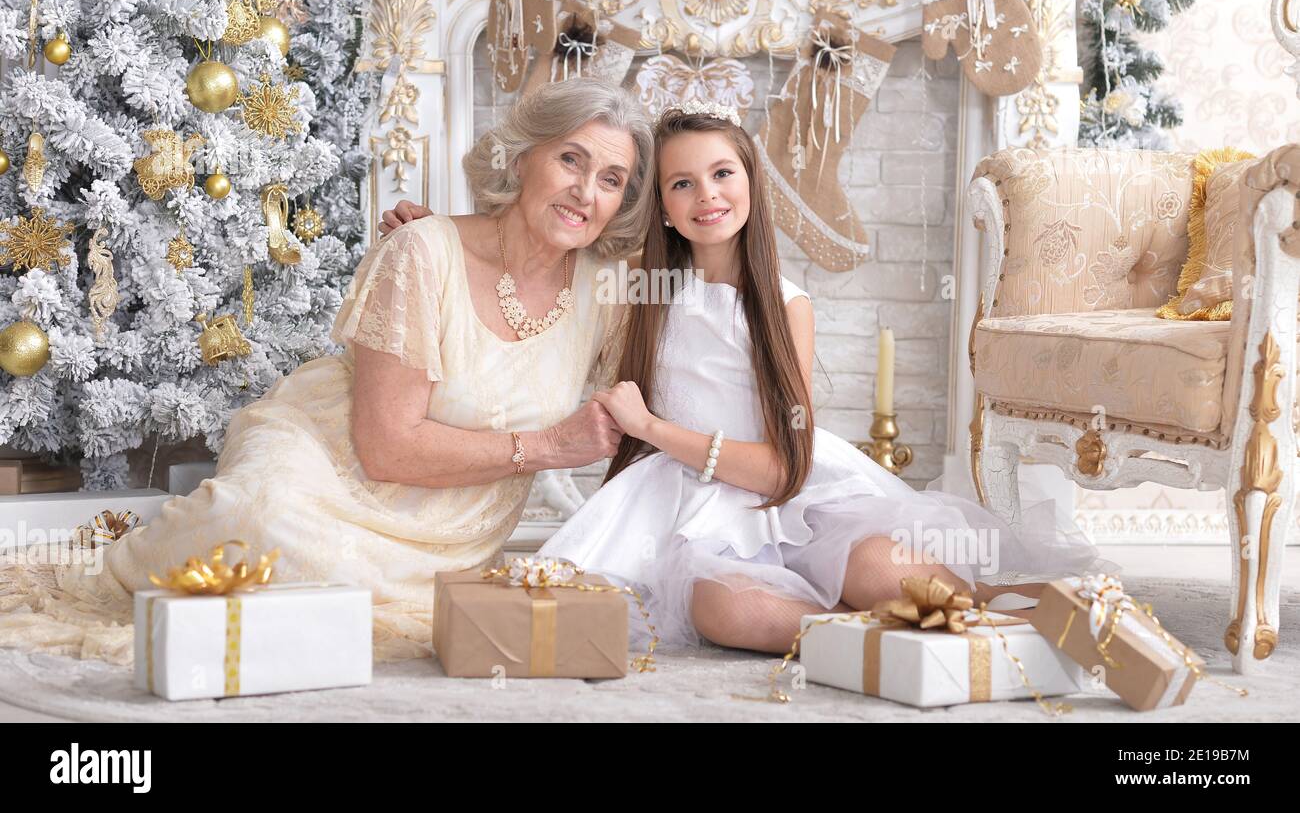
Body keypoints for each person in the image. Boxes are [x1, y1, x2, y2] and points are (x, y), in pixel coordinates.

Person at [0, 78, 653, 663]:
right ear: (521, 158)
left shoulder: (608, 293)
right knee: (260, 522)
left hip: (450, 537)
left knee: (333, 592)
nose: (585, 191)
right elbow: (386, 444)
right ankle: (119, 559)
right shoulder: (424, 252)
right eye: (572, 159)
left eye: (611, 178)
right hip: (329, 460)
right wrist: (545, 447)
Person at [537, 101, 1112, 653]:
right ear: (661, 204)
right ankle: (869, 633)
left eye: (721, 173)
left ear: (751, 183)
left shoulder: (785, 308)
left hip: (789, 493)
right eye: (682, 183)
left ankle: (1006, 610)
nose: (707, 194)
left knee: (890, 573)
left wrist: (653, 429)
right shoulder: (640, 287)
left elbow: (784, 468)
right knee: (725, 609)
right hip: (687, 505)